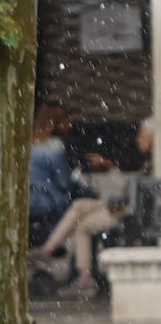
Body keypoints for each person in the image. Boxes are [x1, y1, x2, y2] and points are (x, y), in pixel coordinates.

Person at [30, 116, 155, 298]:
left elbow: (132, 191)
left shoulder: (155, 160)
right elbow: (132, 189)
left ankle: (69, 266)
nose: (137, 140)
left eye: (142, 136)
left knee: (83, 224)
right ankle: (54, 254)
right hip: (127, 204)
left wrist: (110, 168)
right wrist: (110, 167)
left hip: (131, 207)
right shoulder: (149, 160)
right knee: (80, 206)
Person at [28, 102, 99, 246]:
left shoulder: (31, 142)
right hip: (47, 201)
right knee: (87, 211)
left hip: (28, 200)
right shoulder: (54, 145)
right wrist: (85, 189)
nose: (71, 124)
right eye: (67, 120)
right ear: (57, 123)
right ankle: (54, 249)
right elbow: (64, 183)